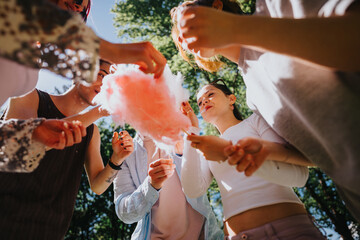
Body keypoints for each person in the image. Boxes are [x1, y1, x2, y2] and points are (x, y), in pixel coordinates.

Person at [172, 0, 360, 221]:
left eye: (185, 20)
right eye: (179, 37)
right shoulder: (253, 95)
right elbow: (318, 155)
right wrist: (264, 152)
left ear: (216, 6)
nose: (183, 39)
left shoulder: (276, 7)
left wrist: (236, 28)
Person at [0, 59, 134, 239]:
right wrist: (98, 112)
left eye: (111, 81)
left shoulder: (92, 132)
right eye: (101, 74)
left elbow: (98, 186)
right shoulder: (29, 95)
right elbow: (19, 149)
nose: (105, 84)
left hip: (49, 231)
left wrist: (116, 159)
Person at [180, 80, 325, 239]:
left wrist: (231, 154)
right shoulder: (209, 149)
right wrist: (191, 130)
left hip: (289, 230)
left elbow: (298, 176)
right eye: (199, 102)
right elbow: (193, 190)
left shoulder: (256, 121)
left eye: (210, 94)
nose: (204, 101)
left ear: (231, 99)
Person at [0, 0, 93, 172]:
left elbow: (6, 154)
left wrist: (32, 133)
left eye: (82, 10)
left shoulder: (31, 68)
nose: (78, 7)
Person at [113, 132, 223, 240]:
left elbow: (203, 183)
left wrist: (182, 154)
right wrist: (151, 186)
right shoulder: (125, 153)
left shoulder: (188, 135)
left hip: (203, 235)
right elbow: (123, 213)